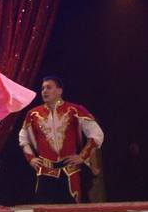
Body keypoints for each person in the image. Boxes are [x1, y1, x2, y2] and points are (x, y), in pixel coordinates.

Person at [18, 76, 106, 204]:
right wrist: (31, 158)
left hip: (71, 172)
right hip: (46, 172)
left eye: (49, 87)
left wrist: (82, 156)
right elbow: (23, 139)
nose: (44, 91)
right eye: (42, 88)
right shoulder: (33, 114)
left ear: (59, 91)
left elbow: (97, 134)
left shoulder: (75, 110)